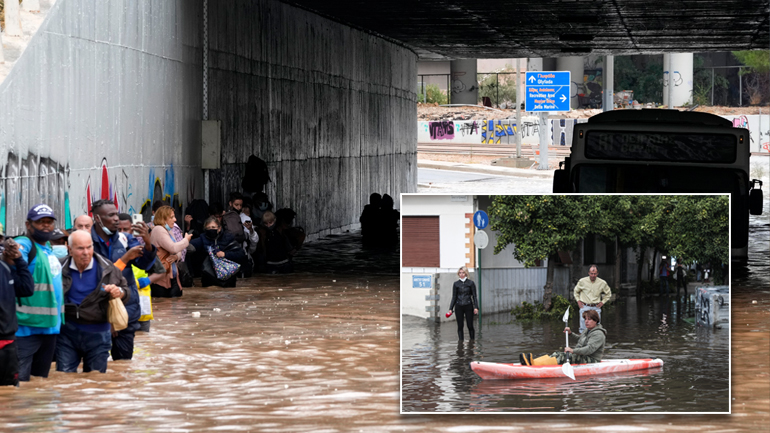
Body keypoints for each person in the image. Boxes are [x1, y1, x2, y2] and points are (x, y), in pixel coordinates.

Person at [90, 199, 156, 361]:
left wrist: (147, 243)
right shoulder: (87, 244)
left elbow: (144, 264)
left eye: (116, 214)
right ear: (97, 218)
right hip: (96, 315)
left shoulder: (125, 239)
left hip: (126, 312)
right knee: (96, 368)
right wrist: (125, 258)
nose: (116, 219)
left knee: (123, 366)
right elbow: (98, 277)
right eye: (110, 215)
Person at [56, 230, 128, 374]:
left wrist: (119, 292)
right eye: (80, 248)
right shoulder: (58, 267)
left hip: (98, 334)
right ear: (69, 249)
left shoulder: (107, 268)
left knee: (96, 382)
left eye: (89, 247)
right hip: (67, 334)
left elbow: (126, 291)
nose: (86, 252)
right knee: (63, 379)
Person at [14, 204, 65, 382]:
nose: (45, 226)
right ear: (29, 225)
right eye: (40, 222)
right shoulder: (26, 243)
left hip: (50, 328)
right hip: (26, 330)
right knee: (18, 385)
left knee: (39, 385)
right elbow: (15, 252)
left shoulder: (48, 248)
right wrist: (12, 253)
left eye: (49, 222)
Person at [0, 238, 35, 386]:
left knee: (10, 392)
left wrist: (18, 259)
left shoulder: (5, 269)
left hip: (6, 342)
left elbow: (27, 288)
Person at [520, 309, 607, 366]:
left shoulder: (598, 334)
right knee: (557, 353)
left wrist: (573, 351)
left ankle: (535, 364)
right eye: (585, 319)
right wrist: (570, 333)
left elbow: (589, 349)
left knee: (565, 356)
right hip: (583, 356)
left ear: (596, 321)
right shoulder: (587, 330)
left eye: (589, 319)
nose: (586, 321)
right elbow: (580, 340)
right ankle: (534, 362)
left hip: (591, 360)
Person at [117, 214, 154, 331]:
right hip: (116, 302)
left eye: (126, 230)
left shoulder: (136, 246)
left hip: (138, 304)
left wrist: (147, 243)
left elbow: (146, 264)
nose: (122, 233)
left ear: (132, 230)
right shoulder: (108, 246)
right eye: (118, 230)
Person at [189, 216, 246, 287]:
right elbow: (190, 246)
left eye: (213, 227)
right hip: (209, 278)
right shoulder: (202, 238)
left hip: (228, 279)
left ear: (219, 228)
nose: (211, 230)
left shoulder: (228, 238)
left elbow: (241, 254)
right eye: (208, 228)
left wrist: (225, 254)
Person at [149, 206, 192, 298]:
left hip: (171, 274)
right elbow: (173, 248)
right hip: (161, 276)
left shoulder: (168, 230)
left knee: (174, 302)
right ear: (163, 219)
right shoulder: (158, 230)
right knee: (164, 304)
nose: (175, 220)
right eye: (172, 217)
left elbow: (177, 250)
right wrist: (186, 240)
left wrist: (176, 257)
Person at [573, 264, 612, 334]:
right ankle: (582, 342)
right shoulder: (582, 281)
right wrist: (578, 301)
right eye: (591, 273)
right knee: (583, 328)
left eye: (595, 274)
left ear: (597, 273)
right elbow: (576, 291)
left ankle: (596, 342)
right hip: (584, 306)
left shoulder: (602, 283)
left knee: (597, 327)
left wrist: (602, 302)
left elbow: (608, 294)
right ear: (588, 273)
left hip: (596, 307)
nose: (593, 275)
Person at [447, 266, 478, 341]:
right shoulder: (456, 284)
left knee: (470, 325)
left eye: (463, 272)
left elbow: (474, 296)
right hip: (459, 306)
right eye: (460, 273)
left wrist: (476, 307)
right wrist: (450, 308)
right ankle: (460, 343)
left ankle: (472, 342)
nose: (461, 274)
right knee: (460, 326)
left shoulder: (471, 283)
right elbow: (454, 297)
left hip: (468, 305)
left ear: (466, 273)